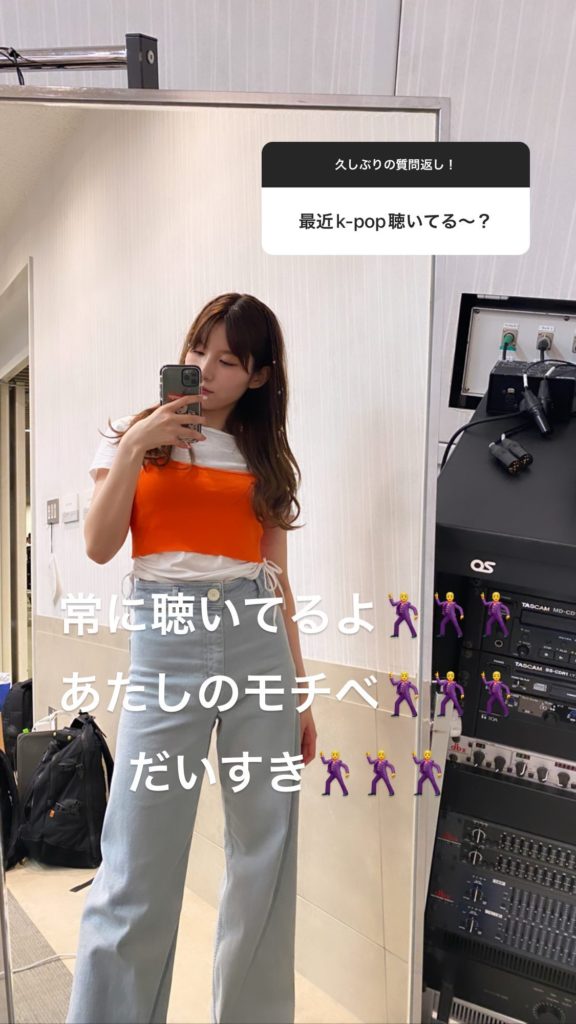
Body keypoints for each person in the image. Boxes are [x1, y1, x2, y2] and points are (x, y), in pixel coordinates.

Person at [66, 293, 317, 1024]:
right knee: (135, 860)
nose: (205, 369)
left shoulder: (262, 459)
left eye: (229, 360)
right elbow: (99, 545)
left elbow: (278, 582)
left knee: (264, 855)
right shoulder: (134, 440)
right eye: (198, 349)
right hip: (165, 643)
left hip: (256, 643)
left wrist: (301, 695)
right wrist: (136, 444)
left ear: (259, 376)